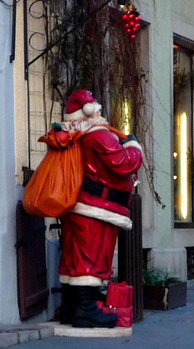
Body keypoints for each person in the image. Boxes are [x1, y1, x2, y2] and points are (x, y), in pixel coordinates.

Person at [55, 89, 143, 328]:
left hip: (76, 205)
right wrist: (134, 146)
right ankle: (86, 310)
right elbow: (123, 163)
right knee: (92, 258)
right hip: (96, 207)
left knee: (74, 257)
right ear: (92, 112)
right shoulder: (97, 134)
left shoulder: (71, 134)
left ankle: (70, 308)